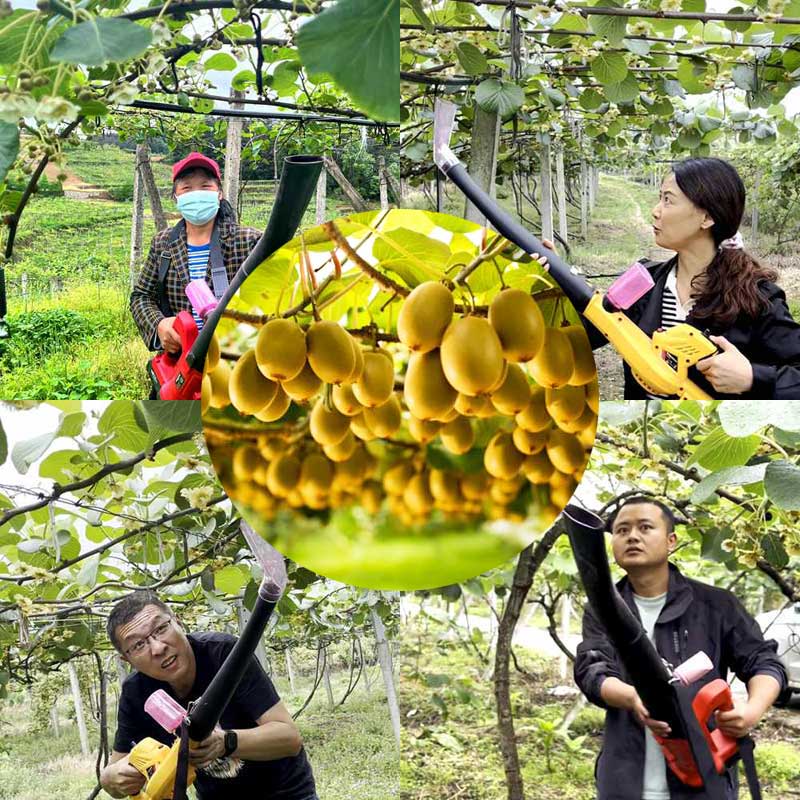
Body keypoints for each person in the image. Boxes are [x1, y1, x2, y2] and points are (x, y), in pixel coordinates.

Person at [574, 496, 787, 800]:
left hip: (703, 780)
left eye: (645, 527)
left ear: (671, 541)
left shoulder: (716, 605)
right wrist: (633, 697)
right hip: (624, 782)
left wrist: (752, 710)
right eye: (621, 530)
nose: (632, 536)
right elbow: (592, 671)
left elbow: (764, 661)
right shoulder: (602, 609)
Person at [543, 157, 800, 398]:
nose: (655, 211)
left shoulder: (757, 296)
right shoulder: (642, 281)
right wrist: (557, 288)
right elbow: (586, 336)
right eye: (659, 199)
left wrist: (753, 378)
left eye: (668, 200)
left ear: (707, 217)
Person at [99, 591, 318, 800]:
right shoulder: (137, 692)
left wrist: (225, 742)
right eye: (138, 645)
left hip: (286, 792)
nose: (157, 648)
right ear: (127, 661)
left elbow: (290, 739)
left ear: (178, 622)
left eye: (161, 629)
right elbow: (114, 772)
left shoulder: (225, 655)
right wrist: (111, 778)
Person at [130, 152, 261, 357]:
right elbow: (141, 296)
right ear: (176, 197)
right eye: (187, 188)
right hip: (181, 364)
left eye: (205, 186)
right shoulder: (163, 244)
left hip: (235, 359)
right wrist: (159, 324)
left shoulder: (248, 241)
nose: (196, 193)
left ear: (219, 193)